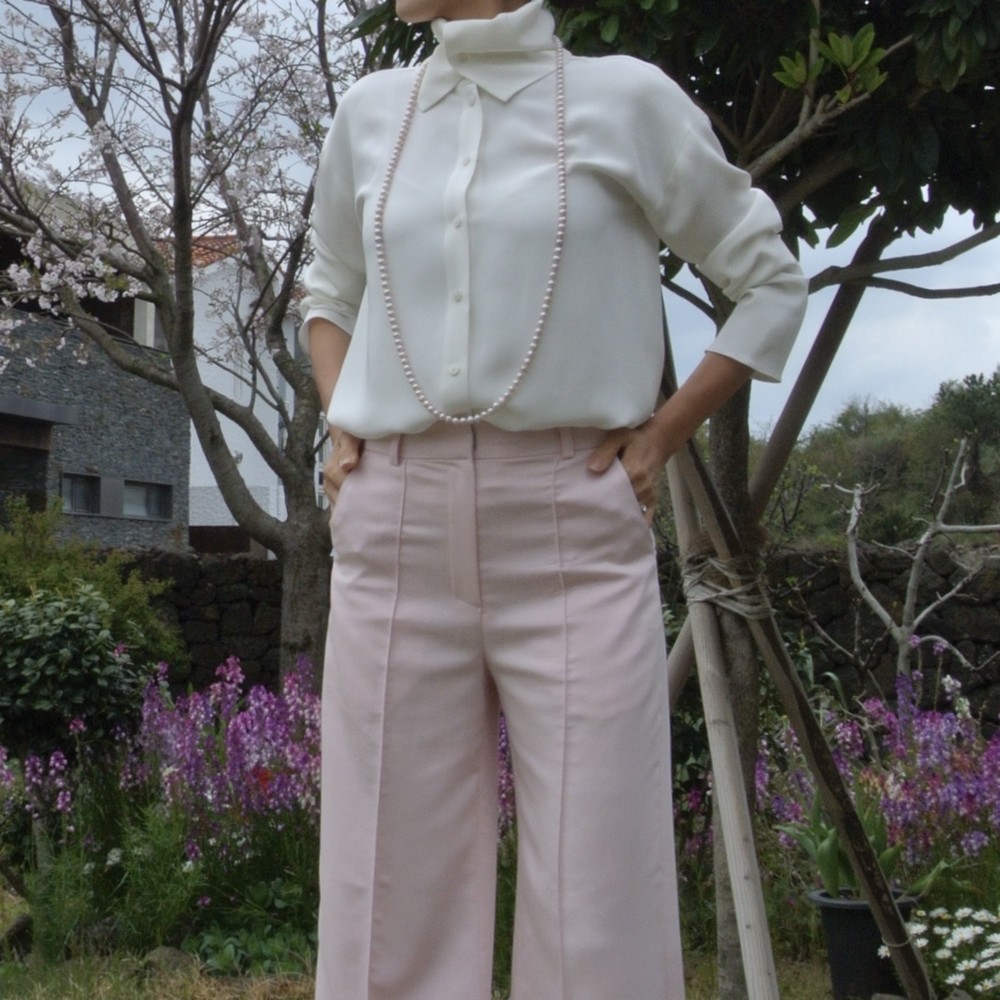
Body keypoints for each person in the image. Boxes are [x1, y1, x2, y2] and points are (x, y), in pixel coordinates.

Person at [300, 1, 807, 997]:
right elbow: (330, 289)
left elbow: (768, 281)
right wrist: (339, 415)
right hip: (395, 524)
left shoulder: (625, 101)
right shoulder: (370, 113)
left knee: (596, 900)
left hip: (572, 526)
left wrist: (662, 433)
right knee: (382, 889)